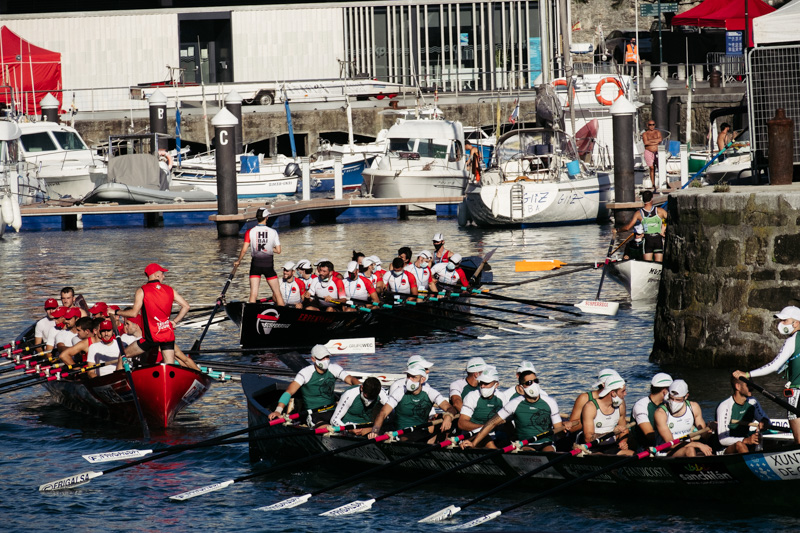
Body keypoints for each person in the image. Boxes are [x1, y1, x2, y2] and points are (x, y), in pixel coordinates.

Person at [734, 305, 800, 444]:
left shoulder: (792, 340)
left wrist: (747, 374)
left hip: (797, 392)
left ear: (796, 323)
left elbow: (774, 366)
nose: (781, 324)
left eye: (785, 320)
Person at [463, 370, 564, 452]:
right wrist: (474, 443)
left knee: (549, 452)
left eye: (536, 381)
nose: (534, 385)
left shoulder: (550, 402)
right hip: (524, 445)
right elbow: (492, 423)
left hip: (546, 443)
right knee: (528, 453)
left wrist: (564, 427)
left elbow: (559, 431)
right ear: (521, 387)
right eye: (529, 383)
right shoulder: (514, 403)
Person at [116, 263, 190, 366]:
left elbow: (133, 313)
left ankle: (121, 376)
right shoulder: (170, 290)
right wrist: (174, 321)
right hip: (167, 334)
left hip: (151, 337)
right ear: (156, 275)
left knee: (123, 356)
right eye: (162, 273)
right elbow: (186, 306)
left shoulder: (142, 290)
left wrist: (116, 312)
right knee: (169, 365)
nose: (164, 276)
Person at [269, 345, 360, 425]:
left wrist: (361, 386)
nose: (325, 360)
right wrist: (278, 411)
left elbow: (351, 379)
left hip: (334, 411)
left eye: (327, 357)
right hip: (314, 414)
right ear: (313, 359)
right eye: (322, 358)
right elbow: (289, 392)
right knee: (327, 428)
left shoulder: (334, 368)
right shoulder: (305, 373)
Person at [369, 363, 457, 442]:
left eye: (414, 377)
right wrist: (375, 432)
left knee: (443, 425)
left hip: (422, 432)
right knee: (407, 438)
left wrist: (448, 416)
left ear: (422, 380)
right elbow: (383, 412)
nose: (409, 380)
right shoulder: (400, 391)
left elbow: (450, 408)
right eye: (408, 376)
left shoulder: (430, 392)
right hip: (401, 434)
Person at [233, 207, 285, 306]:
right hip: (268, 266)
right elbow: (278, 251)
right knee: (277, 294)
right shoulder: (273, 232)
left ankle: (251, 313)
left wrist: (238, 261)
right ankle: (284, 314)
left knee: (253, 294)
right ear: (267, 217)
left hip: (255, 266)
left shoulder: (249, 232)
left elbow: (244, 250)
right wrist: (269, 248)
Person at [654, 379, 712, 457]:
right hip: (666, 451)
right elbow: (671, 444)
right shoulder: (660, 413)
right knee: (690, 450)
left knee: (709, 453)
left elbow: (704, 435)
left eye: (678, 400)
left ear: (686, 396)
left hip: (689, 446)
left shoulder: (694, 407)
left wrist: (710, 428)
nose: (673, 402)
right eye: (671, 398)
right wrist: (697, 444)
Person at [579, 372, 632, 454]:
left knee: (631, 454)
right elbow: (588, 438)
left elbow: (624, 430)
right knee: (601, 456)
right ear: (613, 393)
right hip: (593, 447)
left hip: (611, 446)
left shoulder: (621, 405)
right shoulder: (591, 407)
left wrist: (623, 442)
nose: (625, 394)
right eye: (623, 391)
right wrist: (612, 433)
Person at [716, 375, 770, 454]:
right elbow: (723, 440)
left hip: (746, 441)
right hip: (725, 448)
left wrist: (764, 422)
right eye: (748, 385)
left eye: (752, 385)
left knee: (770, 441)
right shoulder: (725, 406)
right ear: (738, 386)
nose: (752, 388)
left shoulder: (753, 401)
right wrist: (746, 440)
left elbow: (766, 420)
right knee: (740, 445)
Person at [457, 366, 508, 443]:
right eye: (481, 382)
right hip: (473, 436)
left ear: (496, 384)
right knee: (488, 440)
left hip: (494, 436)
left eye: (486, 383)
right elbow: (461, 424)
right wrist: (486, 428)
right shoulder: (472, 396)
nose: (482, 386)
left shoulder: (501, 397)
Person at [619, 190, 667, 263]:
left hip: (648, 241)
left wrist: (617, 230)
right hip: (658, 240)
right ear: (652, 199)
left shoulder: (638, 213)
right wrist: (663, 229)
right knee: (659, 263)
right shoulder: (660, 211)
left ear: (642, 200)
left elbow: (628, 227)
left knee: (647, 264)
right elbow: (671, 220)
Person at [566, 368, 619, 433]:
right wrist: (590, 420)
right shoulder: (584, 398)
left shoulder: (618, 398)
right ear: (604, 384)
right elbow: (572, 428)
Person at [630, 372, 673, 449]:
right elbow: (650, 435)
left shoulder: (668, 404)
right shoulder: (641, 405)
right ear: (665, 392)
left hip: (666, 443)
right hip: (646, 448)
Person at [642, 119, 662, 191]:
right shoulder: (645, 134)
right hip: (648, 151)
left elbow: (660, 140)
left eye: (653, 124)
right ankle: (653, 184)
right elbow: (646, 142)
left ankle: (663, 182)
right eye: (650, 125)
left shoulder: (657, 132)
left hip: (657, 151)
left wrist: (650, 141)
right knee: (651, 168)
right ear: (647, 125)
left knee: (660, 167)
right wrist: (655, 141)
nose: (652, 126)